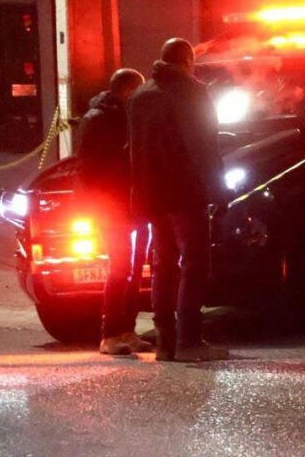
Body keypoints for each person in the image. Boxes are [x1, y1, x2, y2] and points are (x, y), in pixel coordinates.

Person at [128, 39, 228, 362]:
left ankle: (165, 342)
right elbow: (205, 146)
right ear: (187, 60)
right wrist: (219, 191)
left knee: (163, 265)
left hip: (153, 194)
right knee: (195, 263)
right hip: (186, 192)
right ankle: (189, 340)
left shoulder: (141, 95)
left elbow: (135, 150)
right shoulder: (192, 92)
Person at [78, 68, 150, 355]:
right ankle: (109, 335)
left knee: (133, 268)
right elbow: (92, 167)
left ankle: (126, 330)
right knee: (120, 267)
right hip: (112, 204)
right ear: (128, 91)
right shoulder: (99, 120)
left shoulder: (124, 116)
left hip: (131, 202)